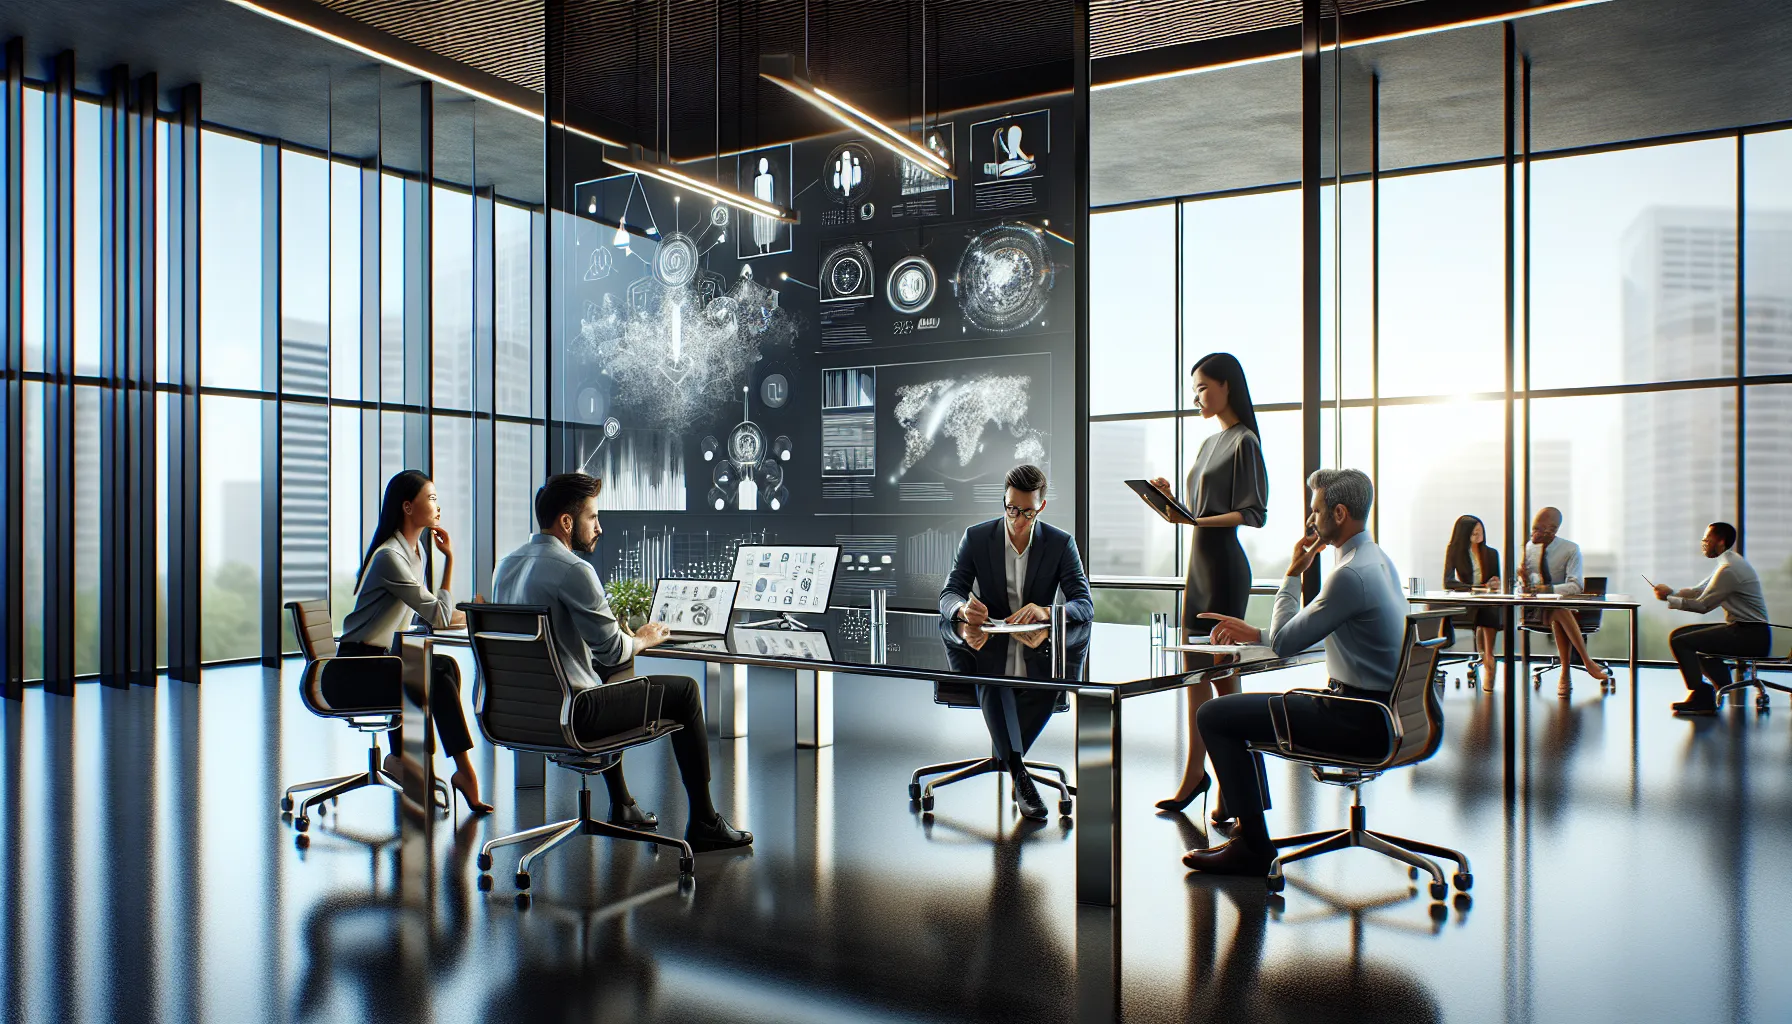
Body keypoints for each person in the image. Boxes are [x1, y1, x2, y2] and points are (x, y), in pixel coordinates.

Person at [491, 473, 752, 853]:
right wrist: (644, 637)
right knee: (685, 691)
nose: (599, 527)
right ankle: (705, 821)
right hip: (577, 717)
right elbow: (614, 650)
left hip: (519, 716)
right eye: (592, 518)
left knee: (609, 675)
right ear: (567, 522)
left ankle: (623, 804)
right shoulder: (574, 570)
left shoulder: (506, 566)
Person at [1181, 468, 1407, 877]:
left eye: (1316, 510)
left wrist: (1292, 574)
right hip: (1386, 715)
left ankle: (1252, 846)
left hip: (1356, 719)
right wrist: (1261, 633)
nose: (1310, 521)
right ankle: (1251, 836)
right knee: (1239, 713)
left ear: (1339, 514)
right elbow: (1332, 634)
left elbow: (1285, 643)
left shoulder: (1349, 575)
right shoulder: (1379, 563)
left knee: (1215, 714)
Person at [1146, 352, 1269, 821]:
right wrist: (1169, 501)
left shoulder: (1245, 443)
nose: (1196, 396)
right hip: (1197, 568)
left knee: (1223, 678)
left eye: (1201, 387)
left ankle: (1235, 786)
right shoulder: (1206, 445)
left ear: (1226, 386)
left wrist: (1195, 517)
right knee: (1193, 675)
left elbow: (1252, 513)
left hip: (1224, 568)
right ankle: (1196, 775)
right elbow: (1191, 517)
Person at [940, 464, 1094, 820]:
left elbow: (1084, 604)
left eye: (1027, 511)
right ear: (1004, 501)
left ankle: (1012, 764)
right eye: (1011, 508)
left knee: (1050, 682)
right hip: (986, 649)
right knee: (995, 681)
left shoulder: (1059, 544)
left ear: (1041, 506)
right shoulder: (977, 538)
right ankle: (1021, 775)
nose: (1018, 519)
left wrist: (1045, 611)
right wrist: (963, 609)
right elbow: (948, 594)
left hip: (1037, 655)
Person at [336, 470, 492, 815]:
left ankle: (412, 763)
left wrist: (473, 615)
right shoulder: (391, 556)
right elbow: (436, 615)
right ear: (408, 507)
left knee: (442, 665)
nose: (438, 505)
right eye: (431, 498)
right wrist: (450, 559)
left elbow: (428, 613)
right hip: (353, 669)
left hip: (383, 661)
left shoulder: (414, 553)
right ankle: (450, 770)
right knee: (432, 671)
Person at [1653, 522, 1771, 716]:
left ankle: (1702, 695)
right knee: (1683, 635)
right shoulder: (1729, 562)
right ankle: (1721, 686)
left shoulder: (1728, 569)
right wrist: (1671, 592)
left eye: (1707, 540)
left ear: (1721, 541)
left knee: (1680, 641)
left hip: (1750, 635)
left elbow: (1704, 605)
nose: (1704, 544)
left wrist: (1670, 599)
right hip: (1744, 630)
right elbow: (1699, 591)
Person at [1521, 507, 1612, 697]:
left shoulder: (1570, 549)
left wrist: (1548, 590)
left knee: (1559, 612)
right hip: (1535, 610)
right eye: (1533, 528)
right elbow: (1523, 587)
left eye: (1538, 528)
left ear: (1552, 530)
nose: (1533, 533)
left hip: (1564, 610)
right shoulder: (1529, 548)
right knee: (1559, 612)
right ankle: (1587, 662)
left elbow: (1576, 586)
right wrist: (1523, 579)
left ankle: (1566, 672)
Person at [1443, 514, 1505, 691]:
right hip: (1467, 603)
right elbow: (1447, 581)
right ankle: (1488, 661)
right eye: (1474, 533)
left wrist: (1494, 583)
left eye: (1481, 531)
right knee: (1485, 611)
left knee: (1488, 609)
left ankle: (1488, 657)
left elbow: (1496, 580)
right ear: (1464, 535)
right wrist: (1472, 587)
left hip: (1486, 601)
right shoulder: (1454, 551)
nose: (1479, 535)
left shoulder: (1492, 553)